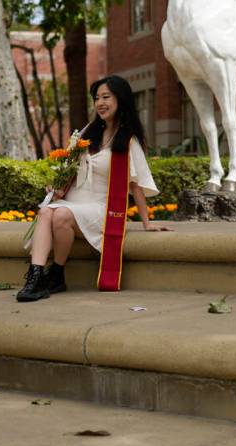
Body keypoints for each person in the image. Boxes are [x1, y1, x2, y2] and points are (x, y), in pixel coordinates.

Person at [18, 75, 170, 302]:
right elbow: (69, 171)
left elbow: (136, 184)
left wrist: (147, 222)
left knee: (60, 213)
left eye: (106, 97)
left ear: (121, 100)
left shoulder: (128, 140)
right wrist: (57, 188)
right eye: (97, 98)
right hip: (74, 203)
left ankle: (57, 272)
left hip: (102, 209)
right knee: (46, 211)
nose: (100, 103)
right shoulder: (88, 133)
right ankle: (36, 276)